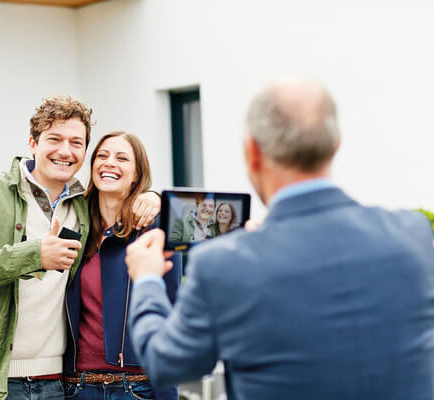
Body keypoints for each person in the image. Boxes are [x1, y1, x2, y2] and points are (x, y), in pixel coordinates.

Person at [125, 77, 434, 400]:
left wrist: (147, 280)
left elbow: (166, 364)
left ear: (253, 151)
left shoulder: (225, 264)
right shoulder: (412, 235)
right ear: (336, 143)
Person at [0, 95, 160, 400]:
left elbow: (121, 194)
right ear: (33, 143)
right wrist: (35, 255)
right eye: (54, 139)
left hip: (56, 383)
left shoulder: (84, 207)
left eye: (76, 143)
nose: (65, 151)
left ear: (84, 152)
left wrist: (150, 197)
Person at [62, 131, 181, 400]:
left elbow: (170, 311)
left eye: (122, 158)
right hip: (76, 386)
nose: (109, 163)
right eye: (102, 156)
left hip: (136, 387)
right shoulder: (72, 223)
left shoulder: (156, 228)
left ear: (137, 174)